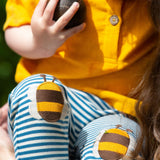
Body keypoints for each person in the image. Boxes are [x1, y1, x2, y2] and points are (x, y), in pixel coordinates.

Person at [2, 0, 160, 159]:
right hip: (56, 99)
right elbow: (15, 26)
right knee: (36, 93)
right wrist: (37, 42)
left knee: (115, 146)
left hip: (120, 114)